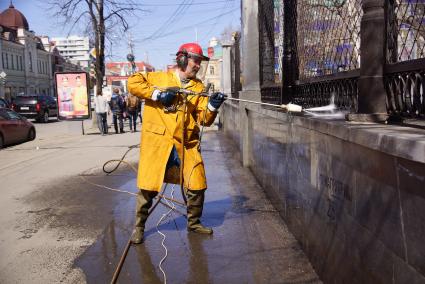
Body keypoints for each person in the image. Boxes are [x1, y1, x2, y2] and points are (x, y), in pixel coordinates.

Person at [127, 42, 226, 244]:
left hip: (185, 143)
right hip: (159, 142)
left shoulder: (198, 88)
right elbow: (133, 83)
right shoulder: (158, 78)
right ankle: (138, 227)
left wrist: (213, 107)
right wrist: (158, 95)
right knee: (148, 187)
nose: (198, 65)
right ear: (182, 58)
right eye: (195, 60)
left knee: (197, 184)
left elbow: (204, 119)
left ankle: (194, 223)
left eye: (200, 62)